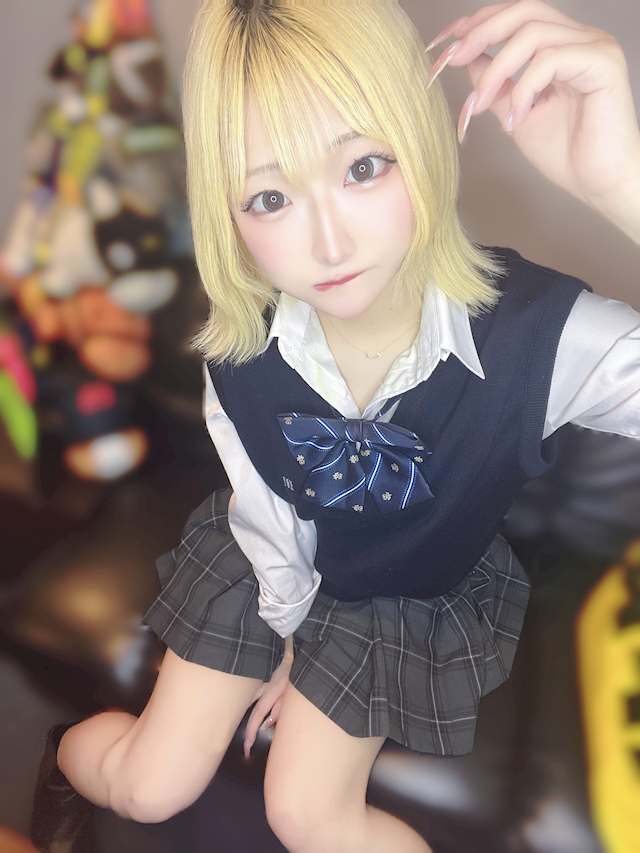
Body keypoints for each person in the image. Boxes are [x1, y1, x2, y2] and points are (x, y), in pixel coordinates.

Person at [34, 2, 640, 852]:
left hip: (407, 587)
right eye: (270, 197)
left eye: (362, 167)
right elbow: (267, 518)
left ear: (418, 139)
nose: (328, 242)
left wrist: (624, 184)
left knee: (310, 816)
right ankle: (61, 756)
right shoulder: (240, 353)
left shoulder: (542, 337)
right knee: (147, 787)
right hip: (270, 560)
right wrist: (290, 638)